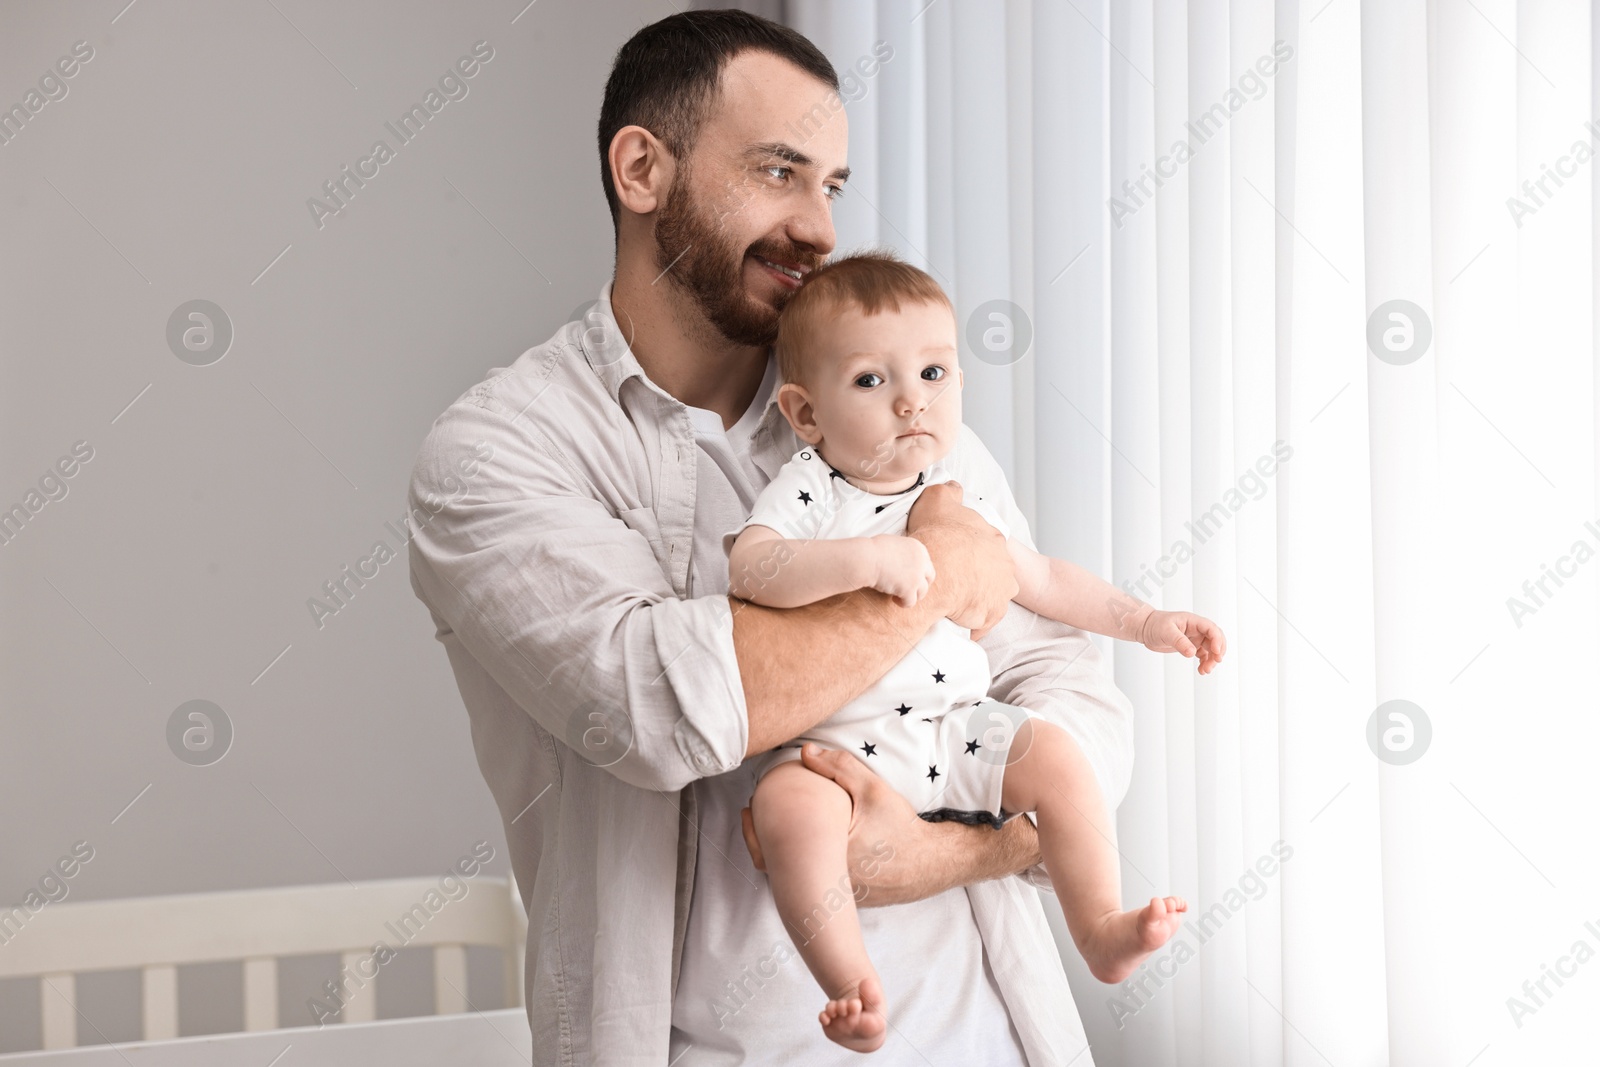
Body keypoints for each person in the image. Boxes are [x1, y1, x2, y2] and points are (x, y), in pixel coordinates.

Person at [407, 10, 1136, 1064]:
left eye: (830, 185)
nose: (819, 228)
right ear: (641, 168)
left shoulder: (895, 415)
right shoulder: (495, 451)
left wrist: (941, 853)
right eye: (779, 172)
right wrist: (940, 576)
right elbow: (657, 710)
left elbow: (1069, 694)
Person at [726, 252, 1225, 1052]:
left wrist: (1145, 619)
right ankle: (851, 982)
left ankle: (1098, 925)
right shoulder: (812, 486)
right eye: (869, 381)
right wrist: (862, 564)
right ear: (806, 413)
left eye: (932, 372)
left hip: (953, 726)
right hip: (833, 746)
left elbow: (1044, 579)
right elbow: (753, 564)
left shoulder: (956, 485)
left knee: (1056, 755)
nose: (909, 401)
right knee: (789, 813)